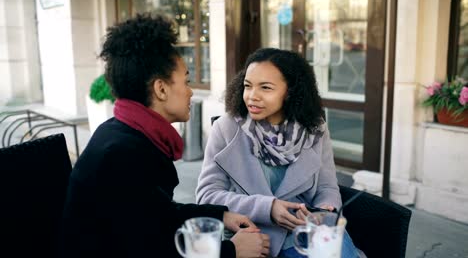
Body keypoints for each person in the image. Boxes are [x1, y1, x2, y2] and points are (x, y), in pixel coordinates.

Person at [59, 14, 270, 258]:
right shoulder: (121, 154)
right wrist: (232, 250)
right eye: (186, 81)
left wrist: (220, 215)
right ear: (161, 89)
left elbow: (155, 214)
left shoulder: (122, 131)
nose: (191, 92)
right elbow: (151, 249)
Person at [196, 48, 365, 258]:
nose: (252, 96)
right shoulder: (226, 128)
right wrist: (268, 208)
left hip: (308, 231)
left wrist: (323, 212)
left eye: (265, 88)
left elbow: (326, 186)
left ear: (290, 91)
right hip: (256, 236)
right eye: (247, 86)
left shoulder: (315, 129)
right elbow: (206, 195)